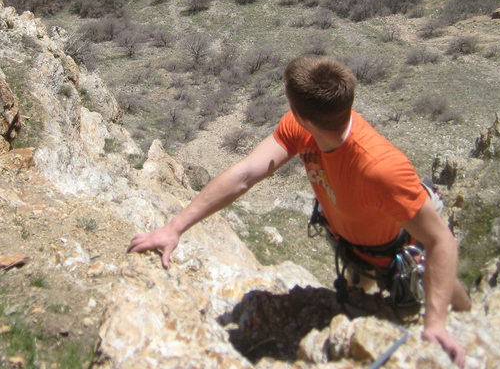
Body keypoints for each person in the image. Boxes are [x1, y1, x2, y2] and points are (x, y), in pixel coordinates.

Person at [128, 55, 472, 367]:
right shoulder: (302, 130)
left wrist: (436, 322)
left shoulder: (379, 167)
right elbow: (245, 175)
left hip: (398, 251)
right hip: (355, 245)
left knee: (444, 290)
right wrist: (175, 227)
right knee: (357, 289)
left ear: (303, 116)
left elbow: (441, 240)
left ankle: (471, 319)